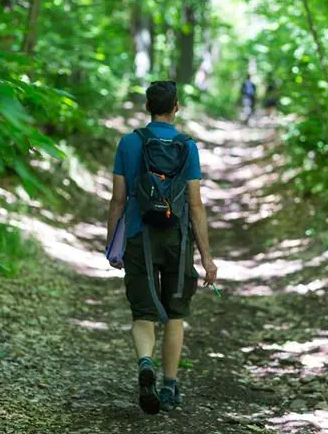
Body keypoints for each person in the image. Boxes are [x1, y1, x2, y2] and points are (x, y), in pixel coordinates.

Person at [106, 81, 218, 415]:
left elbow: (118, 200)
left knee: (143, 313)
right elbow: (196, 206)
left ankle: (144, 365)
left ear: (147, 107)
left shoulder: (128, 143)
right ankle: (169, 386)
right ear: (176, 107)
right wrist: (207, 257)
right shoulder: (188, 146)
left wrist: (113, 243)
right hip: (177, 240)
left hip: (139, 236)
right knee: (174, 314)